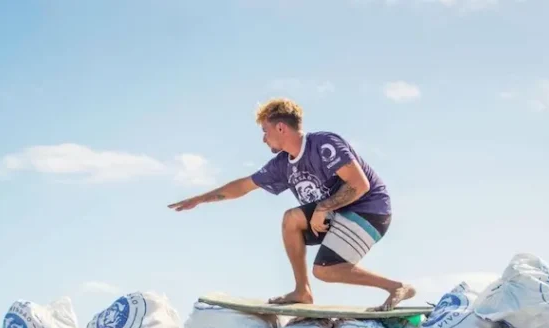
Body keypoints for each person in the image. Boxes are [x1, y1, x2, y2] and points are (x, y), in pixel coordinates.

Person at [168, 97, 415, 311]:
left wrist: (323, 207)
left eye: (265, 131)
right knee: (291, 219)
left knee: (324, 270)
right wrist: (200, 199)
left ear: (281, 127)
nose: (264, 139)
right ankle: (302, 291)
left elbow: (359, 184)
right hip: (337, 212)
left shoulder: (324, 144)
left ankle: (397, 287)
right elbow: (243, 186)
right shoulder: (282, 164)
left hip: (369, 209)